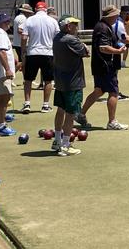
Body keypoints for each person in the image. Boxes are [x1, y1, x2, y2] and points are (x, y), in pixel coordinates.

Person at [77, 5, 129, 130]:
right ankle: (112, 122)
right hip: (106, 66)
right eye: (116, 14)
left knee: (99, 91)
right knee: (113, 92)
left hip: (101, 65)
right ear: (111, 16)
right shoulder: (103, 28)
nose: (118, 16)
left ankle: (80, 114)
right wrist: (118, 51)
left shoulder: (104, 26)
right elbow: (103, 47)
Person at [51, 16, 87, 157]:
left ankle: (57, 141)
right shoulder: (71, 39)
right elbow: (85, 52)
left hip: (60, 81)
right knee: (70, 113)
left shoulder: (56, 38)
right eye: (74, 25)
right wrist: (83, 46)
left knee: (61, 110)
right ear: (67, 27)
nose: (77, 28)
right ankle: (65, 145)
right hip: (72, 82)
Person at [20, 1, 59, 114]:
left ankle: (27, 103)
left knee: (28, 79)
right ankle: (45, 105)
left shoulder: (29, 20)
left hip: (32, 52)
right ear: (45, 10)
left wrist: (23, 51)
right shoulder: (52, 21)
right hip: (48, 53)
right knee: (48, 80)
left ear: (36, 9)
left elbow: (23, 37)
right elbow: (57, 38)